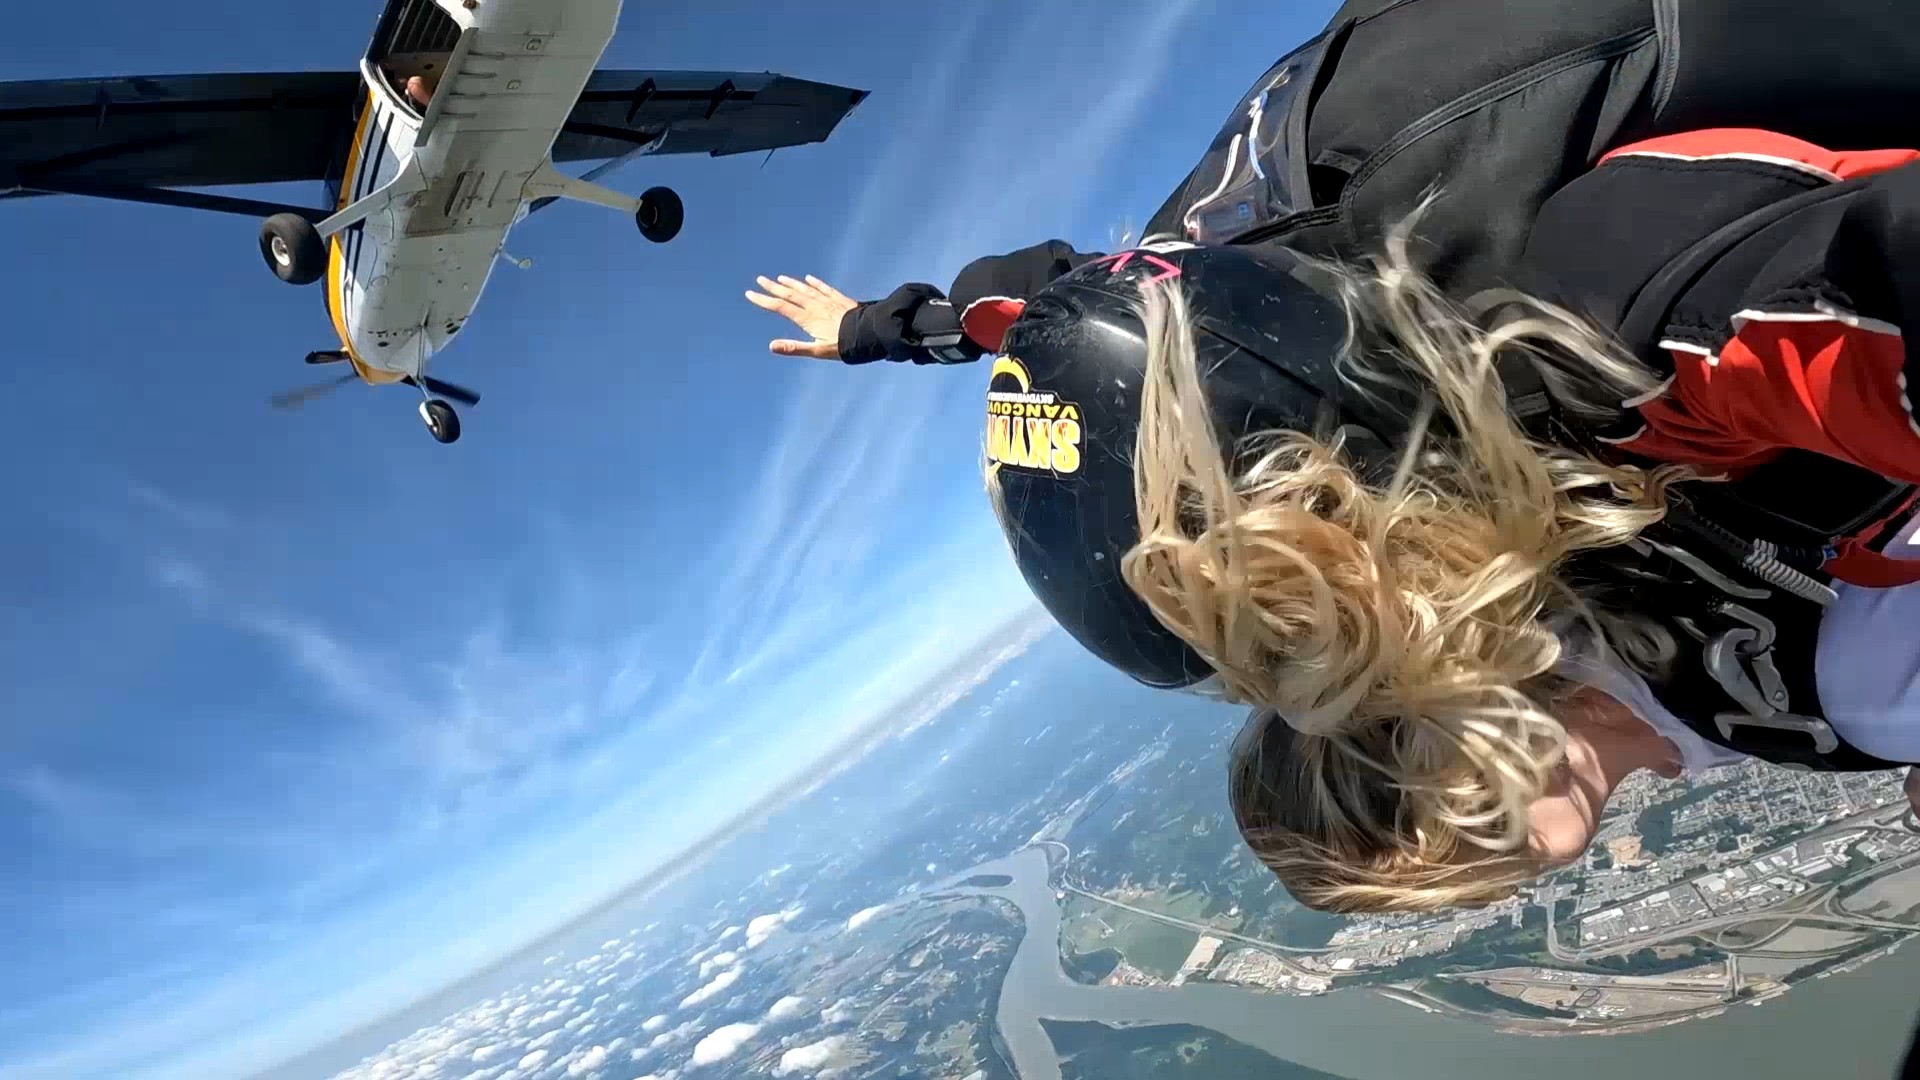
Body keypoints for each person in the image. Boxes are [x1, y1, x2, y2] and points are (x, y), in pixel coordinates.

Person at [748, 5, 1920, 910]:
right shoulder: (1217, 288)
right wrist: (881, 329)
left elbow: (1833, 315)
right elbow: (1058, 321)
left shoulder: (1594, 340)